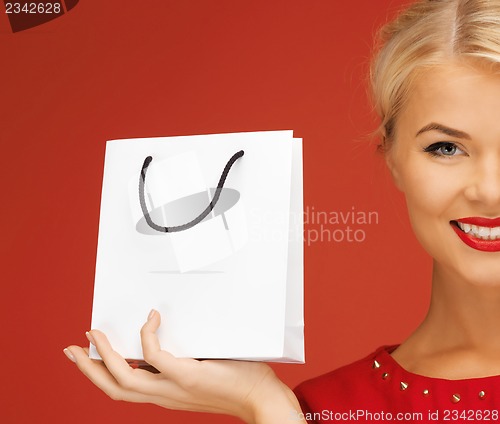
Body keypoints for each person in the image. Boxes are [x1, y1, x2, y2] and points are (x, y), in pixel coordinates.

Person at [63, 0, 500, 422]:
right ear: (392, 157)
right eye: (446, 147)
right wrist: (262, 405)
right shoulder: (315, 410)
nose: (490, 190)